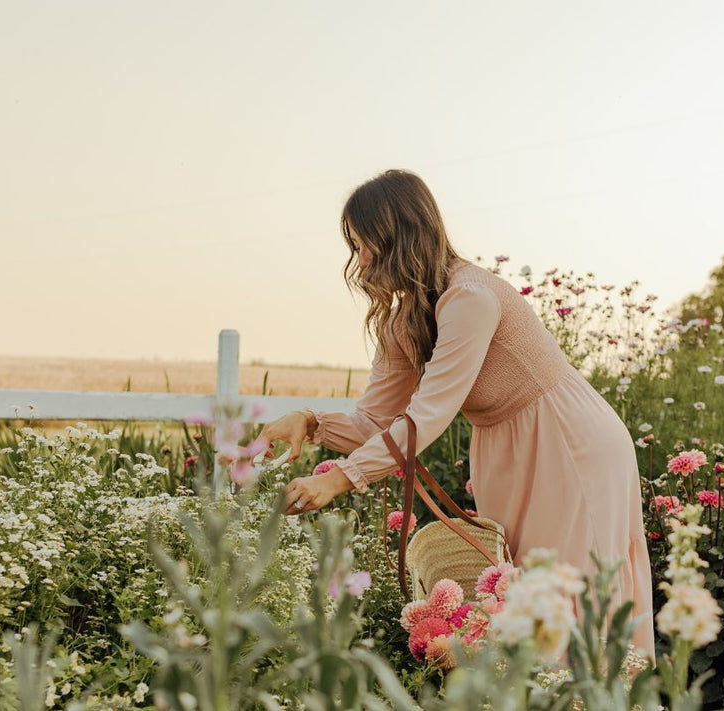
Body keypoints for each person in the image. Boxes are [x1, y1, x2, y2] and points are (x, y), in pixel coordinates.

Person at [262, 169, 654, 655]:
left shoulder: (469, 297)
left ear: (399, 238)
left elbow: (429, 413)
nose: (359, 261)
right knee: (515, 596)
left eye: (366, 245)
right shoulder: (404, 321)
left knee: (570, 596)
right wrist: (312, 423)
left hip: (566, 442)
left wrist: (340, 478)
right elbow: (376, 421)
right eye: (355, 247)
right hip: (503, 449)